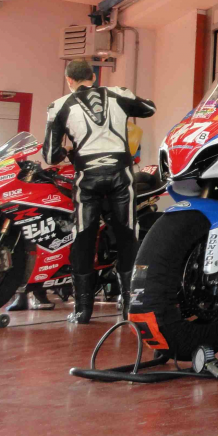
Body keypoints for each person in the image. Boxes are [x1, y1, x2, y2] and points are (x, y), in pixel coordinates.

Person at [43, 59, 156, 324]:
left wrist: (68, 151)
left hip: (87, 177)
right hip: (121, 174)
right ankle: (130, 306)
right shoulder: (118, 93)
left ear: (69, 80)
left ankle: (82, 310)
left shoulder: (59, 106)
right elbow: (149, 108)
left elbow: (50, 155)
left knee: (83, 237)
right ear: (93, 77)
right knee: (127, 235)